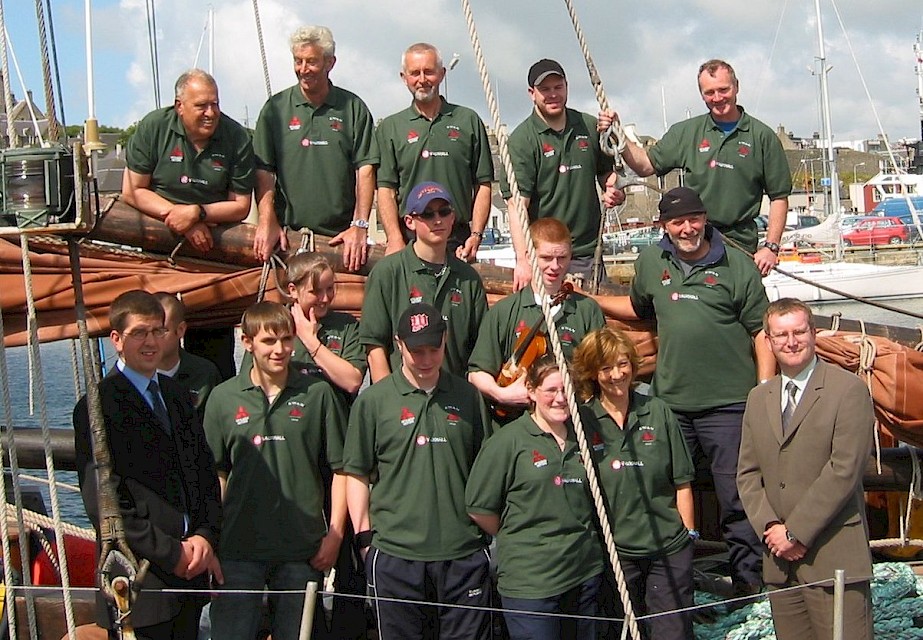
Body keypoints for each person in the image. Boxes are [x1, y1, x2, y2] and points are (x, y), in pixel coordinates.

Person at [598, 186, 775, 596]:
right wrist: (593, 298)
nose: (688, 227)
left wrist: (764, 392)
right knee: (664, 493)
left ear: (705, 218)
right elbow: (640, 310)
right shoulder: (650, 262)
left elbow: (761, 334)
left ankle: (750, 589)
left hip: (729, 405)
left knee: (737, 499)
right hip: (669, 406)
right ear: (664, 225)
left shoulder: (737, 265)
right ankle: (674, 587)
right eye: (678, 221)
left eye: (694, 218)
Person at [73, 290, 222, 640]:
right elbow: (104, 504)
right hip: (138, 580)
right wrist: (173, 554)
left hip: (189, 578)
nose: (151, 341)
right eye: (140, 332)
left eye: (158, 331)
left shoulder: (177, 397)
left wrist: (205, 536)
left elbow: (202, 474)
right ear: (117, 340)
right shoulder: (97, 407)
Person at [344, 302, 493, 640]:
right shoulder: (374, 402)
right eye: (416, 351)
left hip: (462, 555)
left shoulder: (467, 396)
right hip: (396, 554)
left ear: (445, 341)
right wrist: (365, 538)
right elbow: (356, 472)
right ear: (398, 345)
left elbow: (485, 469)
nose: (426, 360)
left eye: (433, 349)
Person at [203, 301, 347, 640]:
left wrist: (336, 535)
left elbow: (341, 469)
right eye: (269, 341)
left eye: (286, 339)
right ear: (247, 342)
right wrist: (210, 536)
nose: (280, 350)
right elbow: (214, 474)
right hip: (237, 550)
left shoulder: (318, 394)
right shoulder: (223, 398)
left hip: (302, 550)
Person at [737, 298, 874, 640]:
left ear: (814, 334)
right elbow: (747, 474)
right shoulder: (758, 398)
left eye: (799, 331)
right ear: (768, 341)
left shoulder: (848, 391)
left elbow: (843, 470)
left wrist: (795, 532)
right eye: (781, 335)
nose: (791, 341)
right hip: (780, 563)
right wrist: (771, 527)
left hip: (834, 558)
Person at [602, 59, 792, 275]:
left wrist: (771, 247)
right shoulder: (686, 132)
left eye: (723, 90)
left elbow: (779, 197)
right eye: (709, 92)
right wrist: (619, 136)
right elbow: (645, 165)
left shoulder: (762, 137)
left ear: (736, 87)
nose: (717, 98)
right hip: (692, 240)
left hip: (740, 245)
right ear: (701, 94)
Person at [123, 68, 254, 379]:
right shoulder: (154, 127)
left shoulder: (235, 137)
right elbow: (132, 190)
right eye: (201, 106)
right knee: (152, 336)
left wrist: (198, 213)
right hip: (156, 255)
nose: (211, 113)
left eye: (215, 104)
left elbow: (240, 206)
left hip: (211, 259)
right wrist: (179, 217)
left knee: (215, 355)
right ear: (179, 105)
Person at [466, 356, 604, 639]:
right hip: (532, 583)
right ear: (531, 391)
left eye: (566, 389)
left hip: (583, 573)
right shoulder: (508, 442)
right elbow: (479, 508)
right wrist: (520, 535)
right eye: (551, 390)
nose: (560, 398)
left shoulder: (583, 436)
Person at [572, 327, 696, 640]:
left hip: (667, 549)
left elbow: (682, 482)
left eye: (623, 364)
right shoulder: (582, 422)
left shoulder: (657, 411)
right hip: (616, 554)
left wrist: (688, 538)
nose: (617, 374)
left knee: (673, 634)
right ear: (592, 373)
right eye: (606, 368)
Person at [252, 25, 376, 272]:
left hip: (340, 239)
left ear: (330, 62)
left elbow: (366, 169)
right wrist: (267, 220)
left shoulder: (353, 108)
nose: (303, 69)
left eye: (311, 62)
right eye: (298, 61)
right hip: (289, 236)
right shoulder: (274, 109)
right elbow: (263, 170)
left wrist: (360, 225)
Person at [503, 58, 624, 289]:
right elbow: (516, 206)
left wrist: (615, 190)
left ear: (567, 86)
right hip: (547, 258)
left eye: (558, 87)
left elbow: (608, 175)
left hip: (587, 254)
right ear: (532, 93)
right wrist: (523, 260)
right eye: (545, 89)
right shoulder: (522, 141)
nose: (553, 94)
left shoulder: (588, 126)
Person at [467, 217, 605, 419]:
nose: (555, 267)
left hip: (575, 422)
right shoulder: (504, 311)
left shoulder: (587, 310)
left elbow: (602, 369)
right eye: (546, 258)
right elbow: (477, 373)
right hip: (517, 423)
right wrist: (503, 394)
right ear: (529, 256)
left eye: (562, 258)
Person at [375, 42, 494, 261]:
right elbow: (386, 188)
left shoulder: (468, 121)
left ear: (442, 74)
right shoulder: (390, 128)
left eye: (429, 71)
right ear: (404, 77)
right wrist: (394, 238)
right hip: (409, 240)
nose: (422, 79)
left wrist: (476, 235)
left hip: (458, 242)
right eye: (415, 73)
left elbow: (483, 184)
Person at [359, 181, 487, 382]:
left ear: (452, 217)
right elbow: (374, 345)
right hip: (401, 401)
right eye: (428, 214)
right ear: (409, 221)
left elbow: (480, 350)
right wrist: (387, 401)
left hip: (455, 399)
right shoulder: (387, 273)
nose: (438, 220)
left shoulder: (468, 278)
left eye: (444, 212)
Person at [152, 292, 222, 421]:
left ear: (180, 330)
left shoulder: (205, 373)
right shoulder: (132, 377)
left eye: (160, 331)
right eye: (145, 332)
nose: (151, 340)